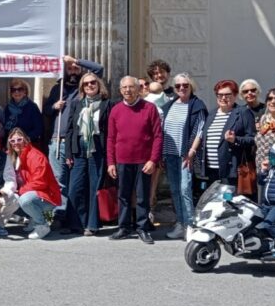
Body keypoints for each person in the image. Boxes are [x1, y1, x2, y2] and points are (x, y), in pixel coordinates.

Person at [106, 76, 163, 244]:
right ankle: (123, 227)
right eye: (124, 87)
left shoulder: (149, 108)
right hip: (122, 160)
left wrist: (153, 160)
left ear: (138, 89)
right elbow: (110, 138)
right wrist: (111, 162)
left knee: (142, 196)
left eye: (131, 87)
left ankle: (142, 228)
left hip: (143, 161)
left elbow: (158, 136)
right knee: (123, 195)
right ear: (120, 90)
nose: (128, 90)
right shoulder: (115, 110)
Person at [43, 55, 105, 200]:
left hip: (80, 142)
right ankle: (59, 215)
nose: (73, 71)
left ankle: (75, 215)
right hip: (58, 141)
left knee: (78, 182)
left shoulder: (84, 87)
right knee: (59, 180)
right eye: (69, 68)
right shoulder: (57, 88)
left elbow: (99, 69)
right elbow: (45, 111)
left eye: (76, 68)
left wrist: (75, 60)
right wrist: (54, 106)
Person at [63, 73, 115, 236]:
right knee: (75, 187)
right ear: (82, 88)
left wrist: (110, 155)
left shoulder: (107, 104)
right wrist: (68, 153)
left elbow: (111, 132)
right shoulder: (77, 104)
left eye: (93, 83)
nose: (90, 86)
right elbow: (71, 130)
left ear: (99, 85)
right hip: (79, 151)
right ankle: (75, 224)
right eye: (86, 84)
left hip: (98, 151)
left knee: (95, 187)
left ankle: (92, 225)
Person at [159, 73, 207, 239]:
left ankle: (190, 225)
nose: (181, 88)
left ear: (191, 86)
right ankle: (180, 223)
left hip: (186, 154)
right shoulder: (169, 106)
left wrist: (192, 151)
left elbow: (200, 130)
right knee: (174, 189)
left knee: (185, 189)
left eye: (185, 85)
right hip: (169, 154)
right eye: (178, 86)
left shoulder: (197, 106)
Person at [200, 80, 256, 191]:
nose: (223, 98)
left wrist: (235, 139)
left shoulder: (243, 113)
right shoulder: (211, 114)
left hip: (231, 169)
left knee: (229, 204)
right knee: (215, 203)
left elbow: (253, 139)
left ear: (235, 96)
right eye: (220, 95)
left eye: (227, 95)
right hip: (211, 169)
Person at [9, 127, 62, 240]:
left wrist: (20, 191)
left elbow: (40, 182)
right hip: (34, 193)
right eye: (12, 141)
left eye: (19, 139)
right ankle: (34, 218)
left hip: (48, 196)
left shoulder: (35, 156)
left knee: (24, 200)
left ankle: (42, 224)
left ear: (26, 140)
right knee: (9, 198)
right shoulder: (15, 157)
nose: (16, 143)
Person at [4, 78, 44, 146]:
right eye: (14, 90)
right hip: (11, 145)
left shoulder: (32, 107)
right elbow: (5, 129)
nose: (17, 92)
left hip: (28, 144)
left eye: (20, 89)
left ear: (25, 92)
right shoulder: (7, 108)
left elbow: (39, 128)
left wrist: (25, 139)